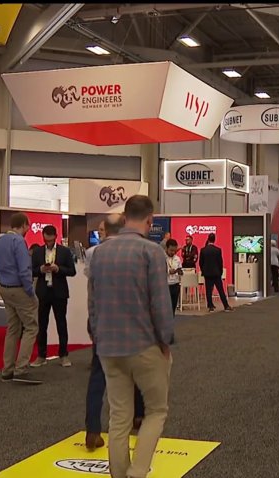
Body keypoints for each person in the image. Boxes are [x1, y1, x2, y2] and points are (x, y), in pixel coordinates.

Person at [88, 195, 174, 478]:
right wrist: (165, 341)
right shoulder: (152, 252)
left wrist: (98, 338)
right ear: (150, 220)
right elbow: (160, 304)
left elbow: (92, 304)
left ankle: (119, 474)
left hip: (108, 347)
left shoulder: (99, 253)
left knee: (118, 417)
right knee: (156, 411)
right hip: (144, 345)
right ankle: (137, 473)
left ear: (125, 218)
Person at [83, 214, 145, 452]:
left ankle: (92, 430)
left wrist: (93, 324)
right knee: (136, 371)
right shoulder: (137, 252)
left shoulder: (95, 254)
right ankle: (138, 416)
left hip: (104, 325)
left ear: (106, 230)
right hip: (130, 325)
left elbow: (92, 294)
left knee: (98, 377)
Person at [0, 212, 41, 385]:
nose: (28, 229)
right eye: (28, 226)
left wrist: (4, 283)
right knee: (31, 327)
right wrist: (30, 291)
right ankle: (21, 369)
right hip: (20, 289)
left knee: (12, 329)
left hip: (5, 288)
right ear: (24, 225)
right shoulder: (19, 242)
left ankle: (7, 370)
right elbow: (24, 270)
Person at [30, 225, 76, 368]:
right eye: (46, 240)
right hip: (43, 292)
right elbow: (31, 270)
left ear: (56, 237)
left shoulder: (64, 251)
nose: (48, 242)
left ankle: (63, 355)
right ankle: (41, 355)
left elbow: (72, 271)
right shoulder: (37, 252)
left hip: (59, 292)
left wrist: (58, 269)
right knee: (42, 324)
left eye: (50, 240)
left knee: (61, 323)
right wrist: (40, 269)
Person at [199, 233, 232, 313]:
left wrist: (203, 271)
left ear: (208, 239)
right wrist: (220, 272)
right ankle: (226, 306)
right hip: (216, 273)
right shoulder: (218, 250)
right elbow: (220, 262)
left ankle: (210, 306)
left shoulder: (203, 250)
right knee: (220, 290)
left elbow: (201, 262)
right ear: (214, 239)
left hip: (207, 273)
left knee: (208, 291)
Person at [165, 239, 183, 314]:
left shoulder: (177, 259)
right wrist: (168, 271)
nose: (173, 252)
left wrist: (180, 272)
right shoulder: (162, 258)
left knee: (173, 308)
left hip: (175, 285)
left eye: (174, 251)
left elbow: (180, 269)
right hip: (166, 286)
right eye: (171, 250)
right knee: (165, 309)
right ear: (166, 248)